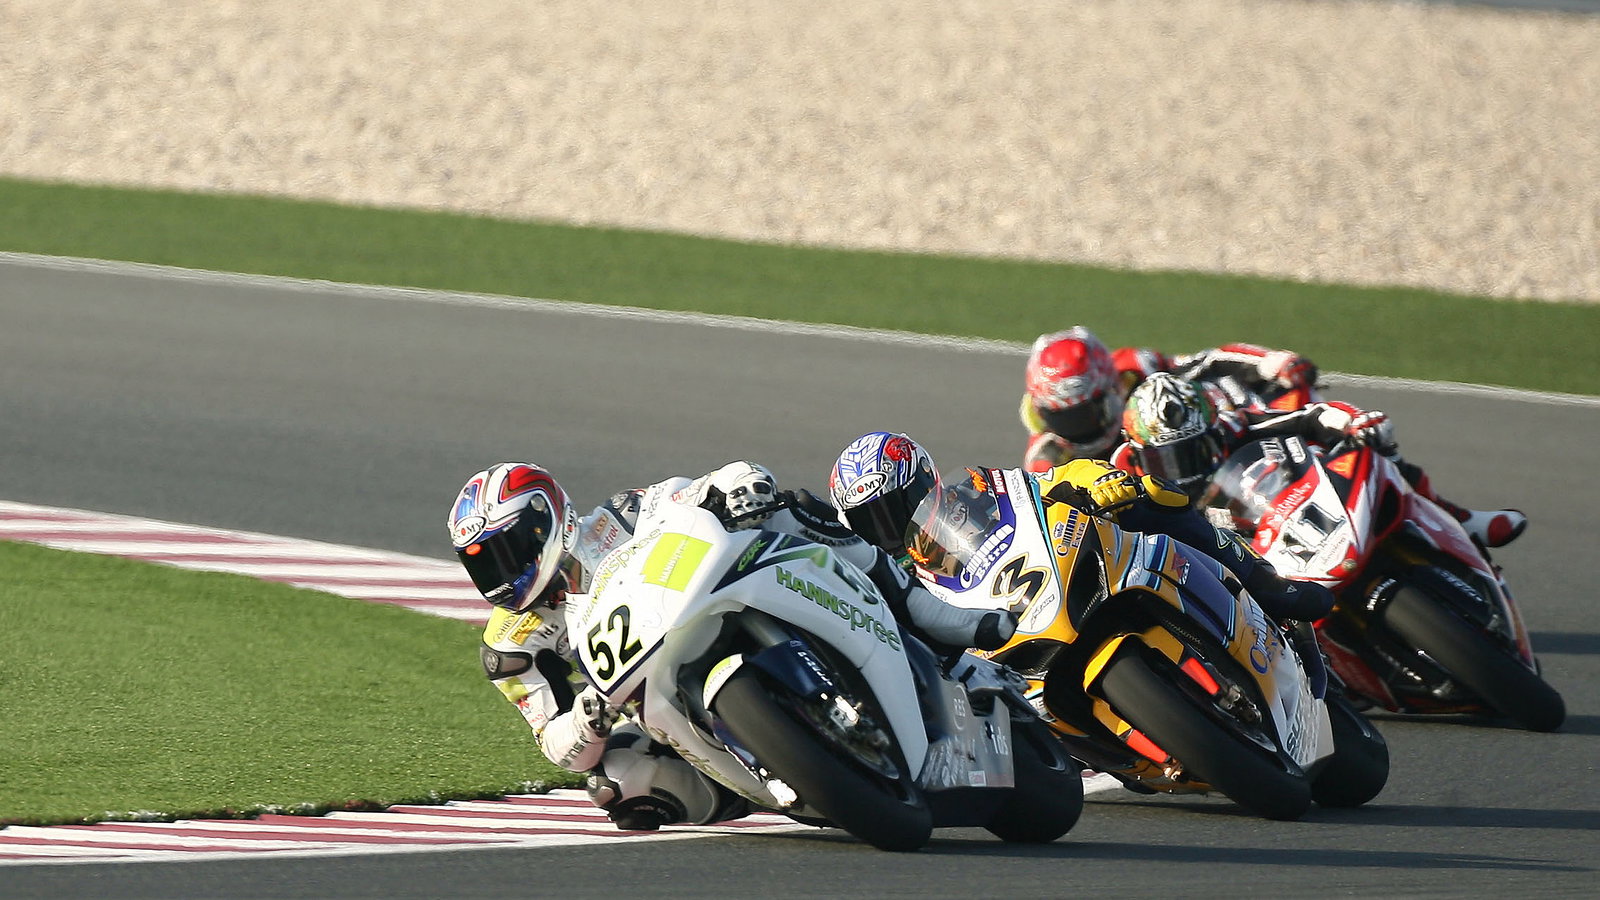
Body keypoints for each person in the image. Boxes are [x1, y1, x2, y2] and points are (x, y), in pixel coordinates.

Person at [447, 459, 1017, 832]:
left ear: (545, 522)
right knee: (614, 781)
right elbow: (556, 745)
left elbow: (692, 492)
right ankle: (765, 781)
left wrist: (737, 485)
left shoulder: (618, 517)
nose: (501, 575)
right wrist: (588, 719)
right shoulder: (512, 646)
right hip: (657, 696)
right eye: (483, 565)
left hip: (719, 600)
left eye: (506, 551)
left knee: (790, 509)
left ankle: (927, 615)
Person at [830, 431, 1336, 624]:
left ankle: (1266, 584)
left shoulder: (975, 492)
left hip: (1051, 569)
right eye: (873, 522)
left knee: (1150, 499)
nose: (892, 527)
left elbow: (1042, 483)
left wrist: (1097, 481)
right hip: (1000, 636)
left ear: (924, 479)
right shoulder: (890, 580)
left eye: (895, 507)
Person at [1113, 373, 1527, 548]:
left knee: (1374, 451)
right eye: (1167, 460)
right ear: (1138, 452)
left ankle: (1459, 521)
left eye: (1193, 451)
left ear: (1212, 430)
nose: (1183, 470)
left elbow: (1309, 417)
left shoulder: (1233, 425)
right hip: (1210, 560)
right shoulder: (1122, 471)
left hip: (1281, 517)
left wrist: (1353, 422)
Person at [1020, 326, 1320, 472]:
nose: (1074, 430)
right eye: (1060, 418)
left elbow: (1206, 361)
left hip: (1227, 426)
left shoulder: (1134, 368)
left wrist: (1271, 364)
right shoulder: (1049, 461)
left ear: (1111, 389)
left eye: (1084, 415)